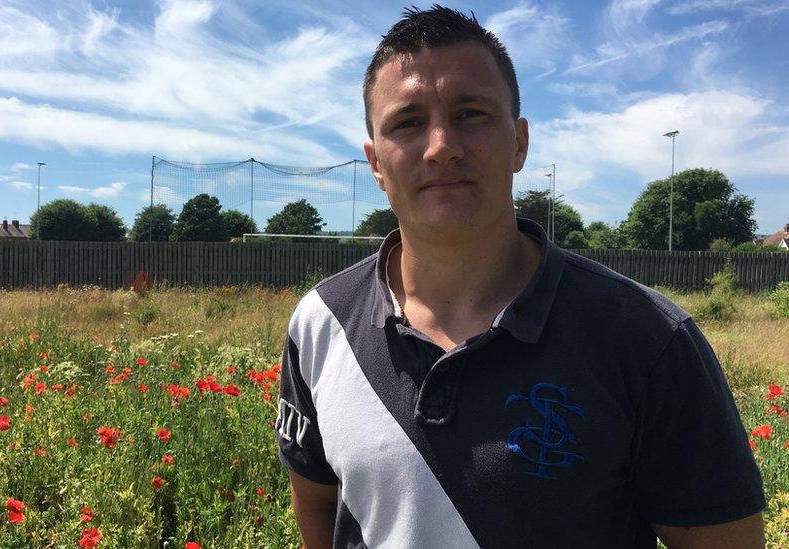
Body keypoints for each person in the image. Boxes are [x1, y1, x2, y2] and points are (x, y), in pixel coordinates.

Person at [275, 5, 765, 548]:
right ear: (374, 162)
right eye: (408, 122)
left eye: (471, 113)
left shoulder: (648, 338)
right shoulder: (320, 323)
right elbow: (318, 507)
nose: (442, 146)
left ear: (520, 143)